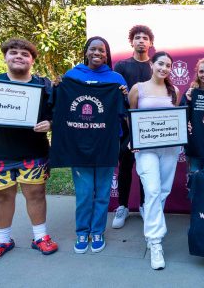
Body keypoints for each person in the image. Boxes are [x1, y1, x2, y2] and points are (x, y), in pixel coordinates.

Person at [0, 38, 58, 264]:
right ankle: (3, 240)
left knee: (36, 194)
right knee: (2, 197)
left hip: (33, 152)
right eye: (13, 52)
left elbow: (56, 114)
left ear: (32, 60)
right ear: (5, 57)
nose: (19, 57)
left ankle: (40, 237)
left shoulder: (44, 87)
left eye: (25, 54)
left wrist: (50, 123)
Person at [62, 36, 128, 254]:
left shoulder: (116, 78)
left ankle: (97, 231)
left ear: (107, 54)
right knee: (84, 191)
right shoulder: (72, 75)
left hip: (107, 143)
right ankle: (82, 231)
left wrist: (125, 97)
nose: (97, 53)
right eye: (93, 49)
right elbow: (63, 105)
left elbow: (125, 110)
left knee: (102, 192)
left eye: (102, 50)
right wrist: (58, 88)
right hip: (79, 144)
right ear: (86, 51)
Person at [128, 51, 181, 270]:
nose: (164, 68)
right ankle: (156, 241)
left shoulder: (175, 91)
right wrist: (133, 140)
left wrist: (183, 127)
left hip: (169, 148)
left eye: (168, 65)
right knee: (151, 190)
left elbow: (176, 117)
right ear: (152, 64)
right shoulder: (137, 88)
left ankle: (151, 233)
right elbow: (130, 116)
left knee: (163, 191)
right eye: (161, 63)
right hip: (145, 148)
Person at [112, 25, 154, 229]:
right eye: (137, 37)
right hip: (126, 126)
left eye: (145, 38)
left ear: (150, 43)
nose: (141, 41)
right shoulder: (121, 66)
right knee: (126, 167)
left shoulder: (155, 66)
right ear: (131, 41)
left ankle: (145, 205)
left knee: (147, 168)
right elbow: (116, 97)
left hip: (149, 127)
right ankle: (122, 206)